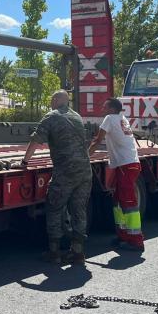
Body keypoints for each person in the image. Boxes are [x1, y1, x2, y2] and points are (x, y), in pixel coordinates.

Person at [20, 90, 93, 265]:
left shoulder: (51, 116)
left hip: (65, 171)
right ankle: (78, 253)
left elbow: (36, 140)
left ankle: (54, 252)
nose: (51, 102)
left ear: (55, 100)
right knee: (79, 210)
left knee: (54, 208)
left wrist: (24, 162)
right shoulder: (77, 116)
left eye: (52, 99)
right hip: (85, 171)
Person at [89, 97, 144, 252]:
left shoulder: (109, 118)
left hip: (125, 165)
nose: (102, 109)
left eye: (105, 106)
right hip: (130, 163)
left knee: (128, 202)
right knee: (119, 200)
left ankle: (136, 240)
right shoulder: (121, 118)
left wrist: (85, 158)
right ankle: (123, 236)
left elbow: (97, 140)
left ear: (112, 109)